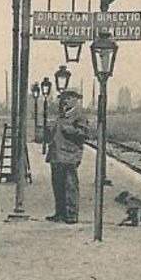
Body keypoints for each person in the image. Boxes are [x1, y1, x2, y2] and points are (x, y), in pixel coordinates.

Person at [45, 89, 92, 224]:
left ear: (76, 100)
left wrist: (72, 131)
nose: (65, 100)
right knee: (58, 185)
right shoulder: (61, 115)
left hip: (69, 155)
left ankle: (71, 215)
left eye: (69, 98)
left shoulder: (79, 116)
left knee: (70, 185)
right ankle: (59, 213)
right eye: (64, 98)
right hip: (56, 155)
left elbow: (85, 134)